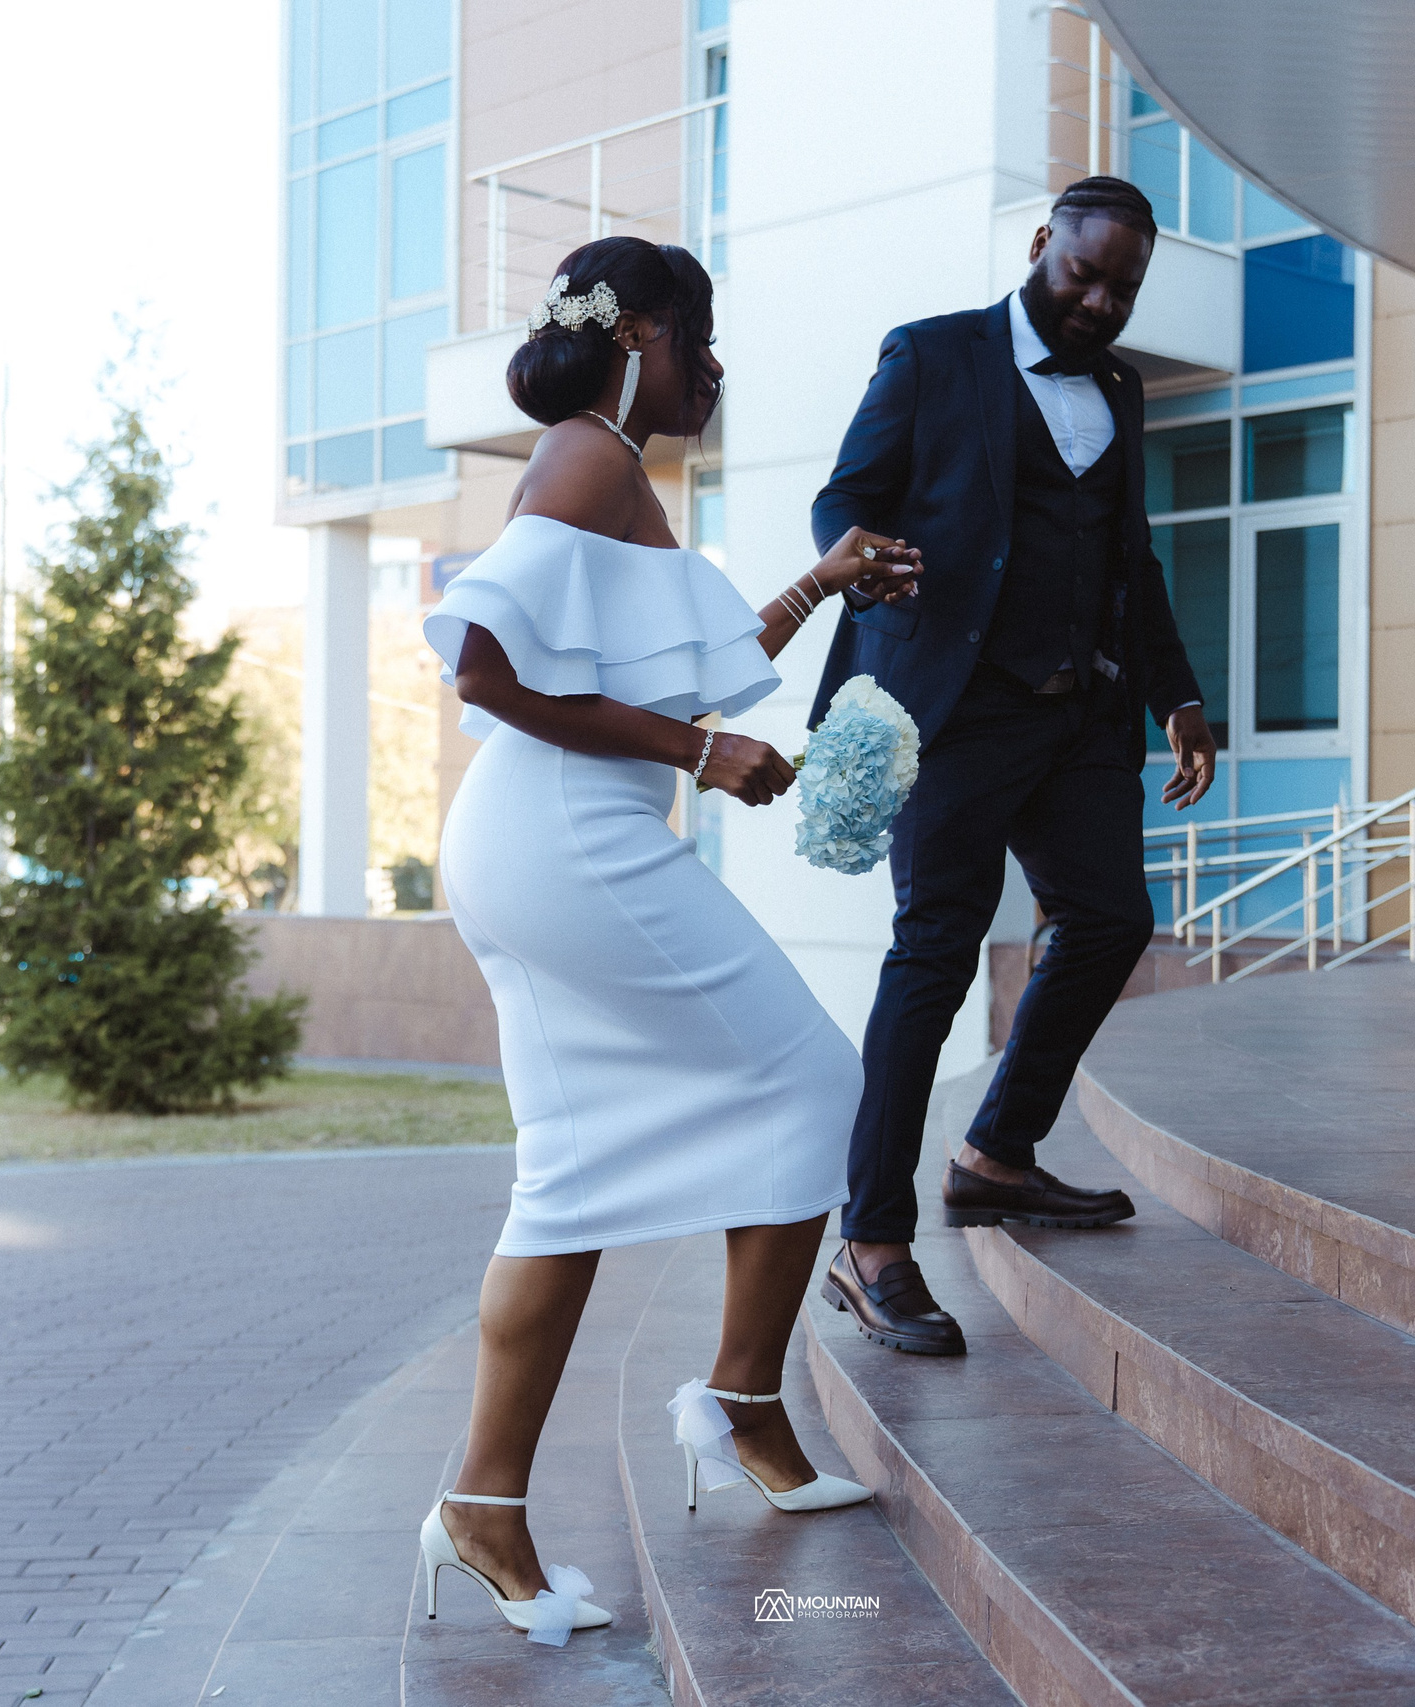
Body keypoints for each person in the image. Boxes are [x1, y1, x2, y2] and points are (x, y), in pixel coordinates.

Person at [414, 236, 924, 1644]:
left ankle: (487, 1502)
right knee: (817, 1080)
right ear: (638, 332)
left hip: (537, 840)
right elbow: (485, 666)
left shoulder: (609, 467)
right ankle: (742, 1403)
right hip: (575, 841)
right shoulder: (587, 458)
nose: (717, 365)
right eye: (701, 336)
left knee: (566, 1179)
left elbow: (677, 665)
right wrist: (702, 752)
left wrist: (820, 584)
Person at [809, 177, 1218, 1357]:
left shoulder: (1124, 388)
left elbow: (1128, 553)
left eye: (1121, 288)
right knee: (933, 953)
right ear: (1042, 246)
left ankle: (995, 1153)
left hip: (1080, 714)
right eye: (1082, 273)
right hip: (953, 711)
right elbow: (847, 494)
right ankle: (871, 1241)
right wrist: (865, 561)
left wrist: (1176, 693)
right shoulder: (934, 357)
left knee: (1107, 919)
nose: (1098, 302)